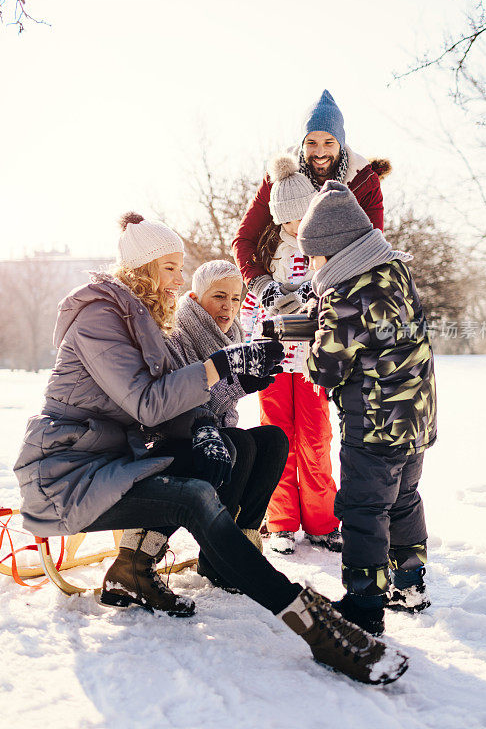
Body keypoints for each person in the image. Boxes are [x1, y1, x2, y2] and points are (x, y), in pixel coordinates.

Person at [13, 211, 408, 686]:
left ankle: (137, 569)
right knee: (195, 495)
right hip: (64, 473)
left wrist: (233, 381)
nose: (180, 281)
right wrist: (220, 367)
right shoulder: (101, 318)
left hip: (112, 459)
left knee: (231, 447)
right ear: (141, 269)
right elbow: (145, 400)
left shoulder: (137, 318)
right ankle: (313, 626)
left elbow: (159, 408)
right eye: (171, 268)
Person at [297, 181, 437, 637]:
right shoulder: (395, 271)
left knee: (362, 509)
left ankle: (364, 602)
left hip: (375, 423)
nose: (313, 266)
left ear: (336, 251)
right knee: (403, 500)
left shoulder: (345, 294)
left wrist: (306, 348)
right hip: (416, 417)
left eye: (315, 257)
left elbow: (326, 369)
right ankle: (410, 584)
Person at [240, 155, 340, 555]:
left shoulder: (325, 252)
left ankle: (322, 520)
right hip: (274, 361)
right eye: (289, 219)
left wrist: (310, 296)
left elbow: (334, 297)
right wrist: (254, 327)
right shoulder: (267, 256)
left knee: (315, 438)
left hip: (312, 361)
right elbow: (251, 310)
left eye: (304, 216)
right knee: (277, 439)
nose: (297, 226)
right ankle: (280, 521)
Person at [169, 258, 288, 585]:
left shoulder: (232, 335)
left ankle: (245, 542)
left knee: (274, 440)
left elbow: (225, 401)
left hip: (218, 432)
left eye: (236, 298)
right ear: (195, 299)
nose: (229, 307)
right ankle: (217, 555)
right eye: (219, 296)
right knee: (242, 443)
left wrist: (253, 377)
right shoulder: (179, 336)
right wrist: (240, 383)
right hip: (182, 437)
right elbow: (187, 404)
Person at [232, 89, 387, 307]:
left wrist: (316, 287)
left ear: (341, 143)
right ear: (302, 143)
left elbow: (371, 251)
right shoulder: (278, 180)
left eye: (329, 142)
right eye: (311, 142)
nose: (320, 152)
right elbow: (243, 239)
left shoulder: (363, 183)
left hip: (340, 298)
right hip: (281, 282)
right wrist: (263, 286)